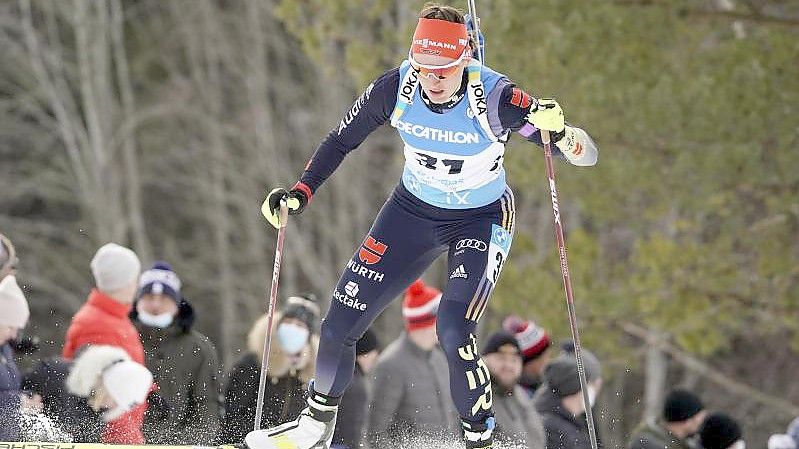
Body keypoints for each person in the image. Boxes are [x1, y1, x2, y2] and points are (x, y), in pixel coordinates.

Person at [251, 2, 598, 448]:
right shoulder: (395, 88)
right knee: (340, 321)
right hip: (412, 211)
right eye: (425, 66)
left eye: (444, 68)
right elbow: (341, 140)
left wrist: (563, 132)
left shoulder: (494, 98)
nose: (433, 79)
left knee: (453, 327)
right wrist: (301, 192)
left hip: (480, 218)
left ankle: (479, 437)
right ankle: (313, 424)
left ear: (465, 59)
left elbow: (586, 155)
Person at [62, 242, 149, 443]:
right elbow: (99, 397)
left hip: (125, 428)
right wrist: (122, 441)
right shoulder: (97, 323)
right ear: (125, 282)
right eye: (135, 279)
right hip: (110, 437)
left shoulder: (117, 318)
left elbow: (124, 374)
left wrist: (147, 391)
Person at [130, 261, 222, 444]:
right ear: (138, 302)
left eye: (164, 299)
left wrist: (184, 444)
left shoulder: (199, 348)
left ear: (177, 304)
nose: (155, 305)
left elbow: (206, 407)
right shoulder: (121, 337)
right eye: (149, 297)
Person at [367, 280, 458, 448]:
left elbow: (452, 421)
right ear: (430, 322)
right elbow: (375, 433)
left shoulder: (440, 360)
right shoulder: (391, 365)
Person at [218, 294, 321, 444]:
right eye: (288, 322)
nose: (293, 328)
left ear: (308, 335)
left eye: (300, 325)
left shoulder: (307, 376)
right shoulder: (253, 363)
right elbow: (231, 415)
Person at [65, 345, 153, 442]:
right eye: (115, 400)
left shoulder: (95, 418)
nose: (111, 406)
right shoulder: (56, 375)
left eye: (117, 405)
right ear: (108, 386)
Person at [481, 330, 545, 448]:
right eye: (501, 358)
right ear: (484, 359)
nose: (508, 366)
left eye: (514, 360)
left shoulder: (521, 396)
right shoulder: (475, 396)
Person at [534, 350, 602, 449]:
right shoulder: (554, 431)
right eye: (591, 384)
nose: (594, 391)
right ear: (575, 387)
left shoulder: (574, 423)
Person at [330, 329, 380, 449]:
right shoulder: (355, 384)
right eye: (373, 357)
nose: (373, 363)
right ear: (362, 354)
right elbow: (352, 430)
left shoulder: (338, 373)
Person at [0, 274, 35, 441]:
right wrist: (16, 402)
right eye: (11, 327)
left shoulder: (5, 348)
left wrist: (27, 398)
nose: (14, 334)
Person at [628, 389, 706, 449]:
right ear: (688, 420)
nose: (703, 422)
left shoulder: (680, 442)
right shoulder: (647, 444)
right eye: (700, 417)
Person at [502, 315, 552, 396]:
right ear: (530, 361)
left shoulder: (540, 385)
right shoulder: (521, 395)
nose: (548, 360)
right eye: (543, 356)